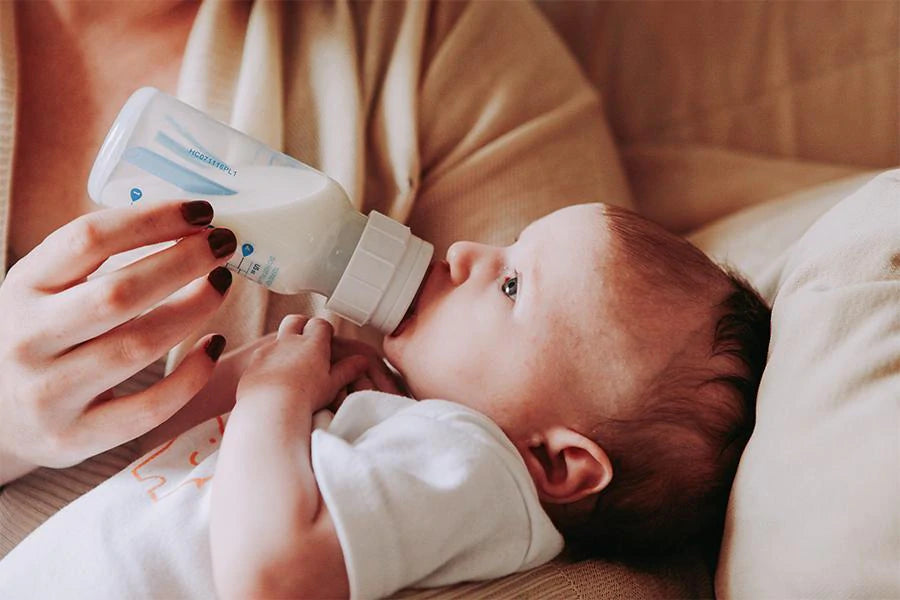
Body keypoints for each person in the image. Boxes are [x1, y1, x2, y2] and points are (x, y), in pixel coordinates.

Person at [0, 0, 631, 545]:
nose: (462, 250)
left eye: (510, 278)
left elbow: (549, 459)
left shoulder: (450, 43)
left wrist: (256, 402)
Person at [0, 203, 771, 599]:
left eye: (510, 285)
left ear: (557, 461)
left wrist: (277, 394)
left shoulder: (475, 466)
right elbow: (170, 461)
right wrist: (260, 377)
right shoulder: (407, 429)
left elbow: (271, 579)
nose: (466, 251)